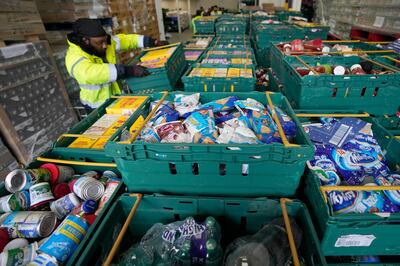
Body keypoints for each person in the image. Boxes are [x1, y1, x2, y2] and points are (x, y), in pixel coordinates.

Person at [65, 18, 159, 112]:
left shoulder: (104, 43)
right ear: (85, 40)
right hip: (97, 107)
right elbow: (90, 74)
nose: (105, 45)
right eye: (100, 42)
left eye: (105, 41)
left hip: (118, 99)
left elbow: (125, 40)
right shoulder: (74, 57)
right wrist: (129, 70)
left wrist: (150, 41)